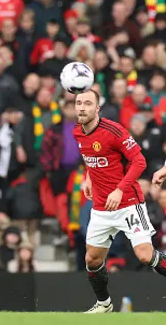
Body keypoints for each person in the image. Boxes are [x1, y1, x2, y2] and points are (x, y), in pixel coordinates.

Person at [73, 89, 166, 313]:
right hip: (101, 207)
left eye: (87, 103)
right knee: (92, 260)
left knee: (144, 254)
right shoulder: (78, 132)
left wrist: (119, 190)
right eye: (78, 103)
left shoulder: (113, 130)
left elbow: (139, 162)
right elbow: (91, 158)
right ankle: (104, 304)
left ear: (97, 109)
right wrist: (88, 178)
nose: (82, 107)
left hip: (128, 202)